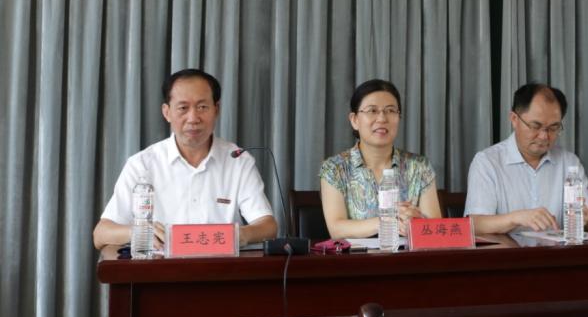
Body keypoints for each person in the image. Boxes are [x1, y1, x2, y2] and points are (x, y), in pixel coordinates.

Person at [93, 69, 277, 250]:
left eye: (202, 107)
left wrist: (237, 235)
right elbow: (101, 234)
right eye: (183, 108)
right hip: (161, 267)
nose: (193, 118)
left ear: (216, 109)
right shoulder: (142, 165)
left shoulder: (238, 160)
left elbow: (268, 226)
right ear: (167, 112)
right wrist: (139, 232)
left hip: (222, 267)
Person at [465, 83, 588, 234]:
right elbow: (475, 224)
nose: (544, 136)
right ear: (514, 119)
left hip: (557, 249)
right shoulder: (487, 162)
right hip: (508, 249)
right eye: (535, 126)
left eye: (553, 128)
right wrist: (516, 218)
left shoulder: (569, 163)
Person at [320, 79, 441, 239]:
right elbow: (337, 229)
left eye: (390, 110)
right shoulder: (335, 169)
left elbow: (435, 227)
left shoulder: (419, 167)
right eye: (372, 110)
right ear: (355, 120)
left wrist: (416, 222)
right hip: (356, 255)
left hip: (408, 254)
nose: (382, 118)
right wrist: (388, 219)